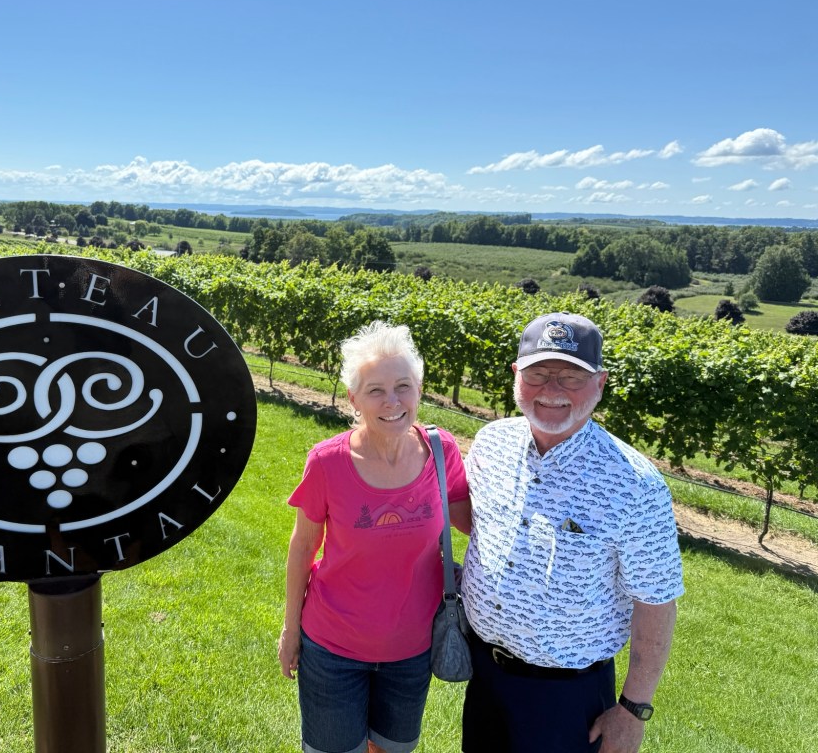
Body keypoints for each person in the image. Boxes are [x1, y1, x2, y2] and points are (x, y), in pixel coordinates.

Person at [459, 312, 684, 753]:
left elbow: (656, 602)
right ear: (516, 377)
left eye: (570, 377)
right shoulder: (491, 444)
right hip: (484, 677)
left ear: (599, 384)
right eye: (539, 374)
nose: (552, 391)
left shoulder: (636, 484)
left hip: (567, 698)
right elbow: (478, 524)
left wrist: (634, 710)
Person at [279, 320, 472, 753]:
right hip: (332, 649)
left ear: (420, 389)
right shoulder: (327, 463)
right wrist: (290, 631)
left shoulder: (442, 455)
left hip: (412, 652)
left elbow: (474, 523)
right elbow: (302, 549)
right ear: (353, 399)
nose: (392, 402)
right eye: (375, 390)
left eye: (403, 386)